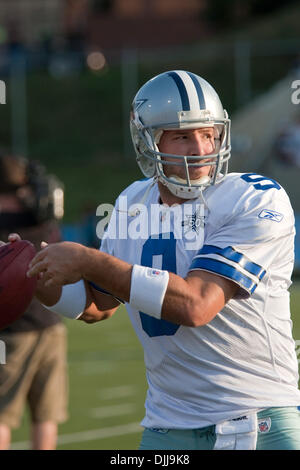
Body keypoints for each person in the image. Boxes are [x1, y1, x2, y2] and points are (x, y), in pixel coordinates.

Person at [11, 70, 300, 450]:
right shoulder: (132, 202)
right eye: (182, 135)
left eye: (208, 133)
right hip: (167, 426)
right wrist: (38, 278)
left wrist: (88, 260)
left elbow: (197, 304)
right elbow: (99, 303)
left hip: (255, 418)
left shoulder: (255, 198)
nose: (200, 148)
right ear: (146, 142)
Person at [0, 154, 68, 450]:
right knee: (45, 416)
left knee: (3, 415)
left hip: (11, 333)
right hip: (51, 325)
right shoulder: (43, 220)